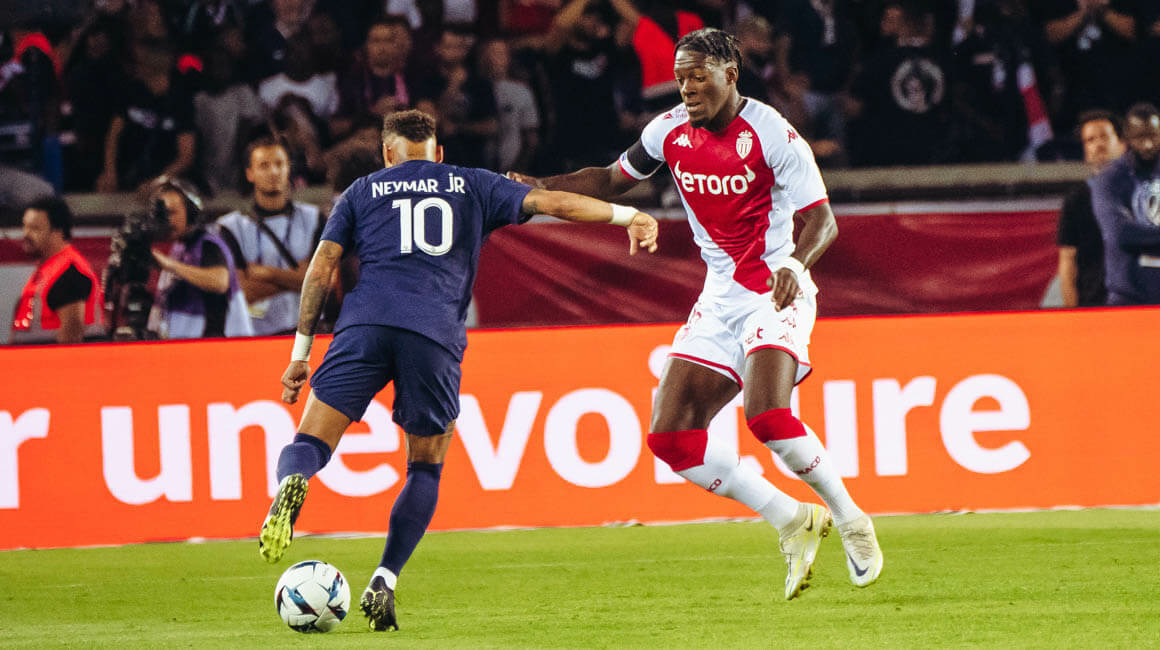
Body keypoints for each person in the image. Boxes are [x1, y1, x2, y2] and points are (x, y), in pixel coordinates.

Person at [509, 27, 883, 600]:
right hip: (720, 296)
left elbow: (822, 221)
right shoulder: (667, 132)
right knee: (672, 439)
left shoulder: (773, 134)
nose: (686, 87)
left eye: (698, 76)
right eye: (680, 77)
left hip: (776, 288)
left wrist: (796, 264)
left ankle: (853, 520)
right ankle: (792, 519)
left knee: (766, 415)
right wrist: (538, 187)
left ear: (730, 75)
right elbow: (609, 179)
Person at [258, 109, 659, 631]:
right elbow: (554, 202)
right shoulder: (472, 183)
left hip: (364, 326)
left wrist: (300, 352)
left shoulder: (360, 191)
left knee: (311, 440)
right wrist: (628, 217)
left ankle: (294, 481)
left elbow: (320, 269)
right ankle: (385, 578)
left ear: (388, 154)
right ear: (438, 153)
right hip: (432, 334)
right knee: (425, 467)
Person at [217, 136, 325, 336]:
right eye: (264, 166)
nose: (273, 172)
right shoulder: (231, 227)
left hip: (308, 334)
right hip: (254, 336)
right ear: (250, 173)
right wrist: (300, 279)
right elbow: (243, 292)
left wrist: (267, 273)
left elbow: (324, 284)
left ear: (288, 169)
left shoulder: (314, 218)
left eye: (279, 164)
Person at [147, 177, 254, 338]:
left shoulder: (209, 243)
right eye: (162, 213)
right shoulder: (180, 246)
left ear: (191, 212)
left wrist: (170, 265)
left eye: (172, 212)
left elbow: (220, 282)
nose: (166, 220)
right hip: (191, 344)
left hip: (219, 345)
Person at [1089, 103, 1160, 305]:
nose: (1147, 145)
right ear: (1127, 137)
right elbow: (1120, 233)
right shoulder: (1109, 179)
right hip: (1129, 298)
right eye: (1140, 138)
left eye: (1153, 137)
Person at [10, 196, 104, 344]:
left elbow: (71, 338)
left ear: (57, 232)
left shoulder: (69, 273)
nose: (26, 234)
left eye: (35, 228)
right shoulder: (49, 270)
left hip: (52, 358)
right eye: (25, 226)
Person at [1057, 110, 1124, 307]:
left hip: (1141, 306)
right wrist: (1072, 312)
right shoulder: (1076, 199)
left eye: (1104, 136)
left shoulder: (1143, 193)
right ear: (1085, 150)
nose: (1099, 145)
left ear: (1122, 144)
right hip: (1094, 306)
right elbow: (1068, 260)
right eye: (1090, 140)